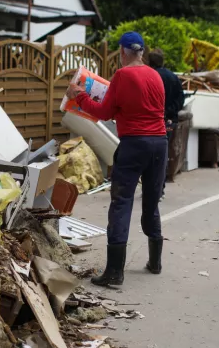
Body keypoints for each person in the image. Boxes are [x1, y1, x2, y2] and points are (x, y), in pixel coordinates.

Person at [65, 32, 167, 287]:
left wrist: (79, 95)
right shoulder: (155, 75)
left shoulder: (122, 75)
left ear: (122, 52)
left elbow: (103, 112)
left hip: (134, 144)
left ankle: (114, 272)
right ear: (141, 52)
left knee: (121, 203)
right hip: (159, 143)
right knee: (151, 202)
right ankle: (155, 262)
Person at [146, 48, 184, 198]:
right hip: (169, 121)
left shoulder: (150, 76)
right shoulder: (173, 77)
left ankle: (150, 188)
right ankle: (159, 189)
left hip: (151, 121)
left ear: (150, 62)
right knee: (163, 153)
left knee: (149, 154)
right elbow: (180, 99)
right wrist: (169, 111)